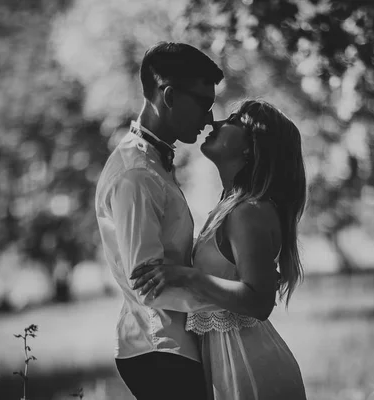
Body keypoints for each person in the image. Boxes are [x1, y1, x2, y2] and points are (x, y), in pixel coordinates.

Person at [131, 99, 308, 400]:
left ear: (250, 148)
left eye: (234, 120)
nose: (215, 122)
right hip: (231, 363)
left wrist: (184, 276)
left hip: (250, 371)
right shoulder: (230, 207)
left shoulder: (247, 211)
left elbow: (259, 302)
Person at [94, 42, 224, 400]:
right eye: (203, 104)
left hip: (173, 345)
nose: (209, 118)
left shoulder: (153, 164)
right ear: (168, 95)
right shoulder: (136, 175)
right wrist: (234, 303)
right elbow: (149, 284)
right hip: (160, 349)